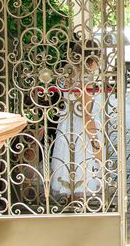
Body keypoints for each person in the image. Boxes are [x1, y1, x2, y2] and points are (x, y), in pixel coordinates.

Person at [50, 37, 104, 203]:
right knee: (81, 163)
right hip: (81, 130)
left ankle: (70, 197)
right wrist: (95, 143)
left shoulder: (67, 77)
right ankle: (78, 201)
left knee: (67, 161)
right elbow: (87, 114)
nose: (99, 62)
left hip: (66, 127)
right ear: (91, 60)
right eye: (98, 58)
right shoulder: (85, 83)